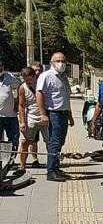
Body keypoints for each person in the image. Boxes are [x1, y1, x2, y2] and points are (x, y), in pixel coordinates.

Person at [36, 52, 73, 182]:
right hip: (54, 114)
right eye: (58, 60)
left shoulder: (63, 76)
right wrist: (43, 114)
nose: (61, 63)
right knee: (54, 142)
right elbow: (39, 94)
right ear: (51, 62)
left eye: (63, 60)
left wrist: (70, 116)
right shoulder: (46, 76)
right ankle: (51, 171)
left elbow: (65, 98)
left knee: (60, 142)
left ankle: (56, 168)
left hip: (63, 113)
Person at [17, 67, 46, 170]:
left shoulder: (42, 84)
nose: (28, 82)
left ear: (34, 77)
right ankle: (22, 166)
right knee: (25, 142)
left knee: (51, 143)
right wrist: (22, 122)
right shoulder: (22, 87)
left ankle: (53, 167)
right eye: (25, 79)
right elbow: (21, 106)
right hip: (31, 118)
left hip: (44, 118)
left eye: (30, 79)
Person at [0, 60, 21, 164]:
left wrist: (17, 103)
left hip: (11, 116)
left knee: (14, 139)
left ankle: (11, 161)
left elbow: (20, 88)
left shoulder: (10, 77)